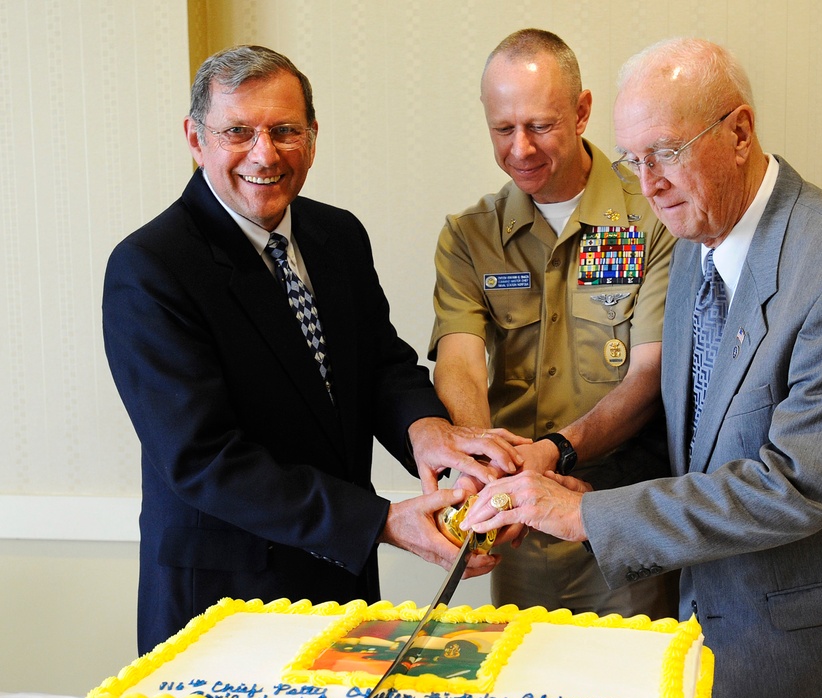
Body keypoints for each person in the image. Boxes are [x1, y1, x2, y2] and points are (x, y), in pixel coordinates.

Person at [462, 37, 822, 698]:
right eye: (633, 159)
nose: (649, 182)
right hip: (711, 657)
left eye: (665, 152)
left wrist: (587, 516)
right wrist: (563, 477)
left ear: (740, 132)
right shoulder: (694, 245)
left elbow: (795, 485)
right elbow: (693, 444)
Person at [103, 45, 522, 655]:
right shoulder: (150, 267)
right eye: (237, 132)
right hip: (224, 604)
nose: (264, 154)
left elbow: (380, 365)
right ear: (196, 139)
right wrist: (381, 522)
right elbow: (203, 459)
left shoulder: (338, 235)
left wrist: (428, 431)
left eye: (284, 131)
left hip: (341, 585)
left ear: (313, 137)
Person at [429, 29, 677, 617]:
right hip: (517, 525)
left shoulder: (654, 217)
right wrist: (482, 458)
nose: (521, 148)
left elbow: (651, 373)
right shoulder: (470, 236)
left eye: (540, 126)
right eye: (503, 129)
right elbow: (460, 362)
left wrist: (556, 452)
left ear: (582, 111)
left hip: (618, 518)